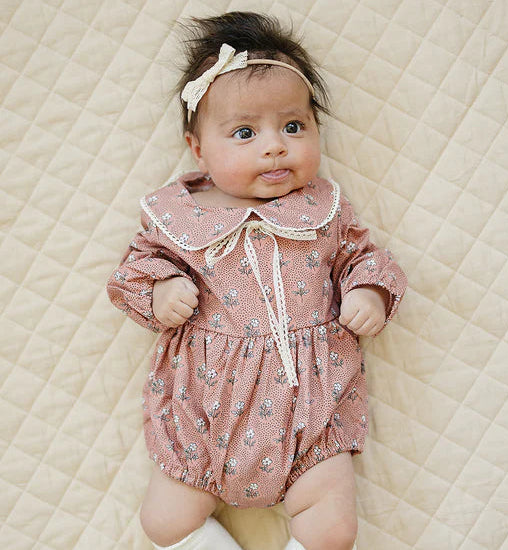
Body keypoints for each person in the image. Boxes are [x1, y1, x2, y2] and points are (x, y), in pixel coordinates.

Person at [106, 11, 407, 550]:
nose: (274, 146)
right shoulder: (179, 215)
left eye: (293, 127)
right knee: (164, 522)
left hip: (311, 406)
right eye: (245, 133)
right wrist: (160, 290)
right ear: (198, 148)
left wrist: (369, 290)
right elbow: (133, 271)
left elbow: (362, 255)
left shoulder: (321, 209)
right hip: (204, 412)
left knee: (333, 530)